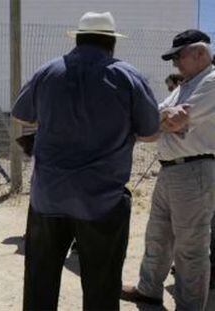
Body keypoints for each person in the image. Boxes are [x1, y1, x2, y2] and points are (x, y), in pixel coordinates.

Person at [12, 11, 159, 310]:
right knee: (101, 287)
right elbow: (150, 133)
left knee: (40, 282)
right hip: (102, 200)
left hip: (48, 197)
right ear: (111, 43)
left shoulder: (47, 72)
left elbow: (21, 114)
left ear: (77, 39)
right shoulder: (129, 77)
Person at [121, 29, 215, 310]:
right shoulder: (186, 86)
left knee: (190, 247)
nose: (174, 64)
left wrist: (163, 122)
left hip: (194, 169)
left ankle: (189, 306)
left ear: (200, 53)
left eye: (179, 56)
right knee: (158, 234)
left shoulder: (211, 81)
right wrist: (162, 121)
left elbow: (174, 121)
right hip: (172, 169)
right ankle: (148, 289)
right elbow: (150, 122)